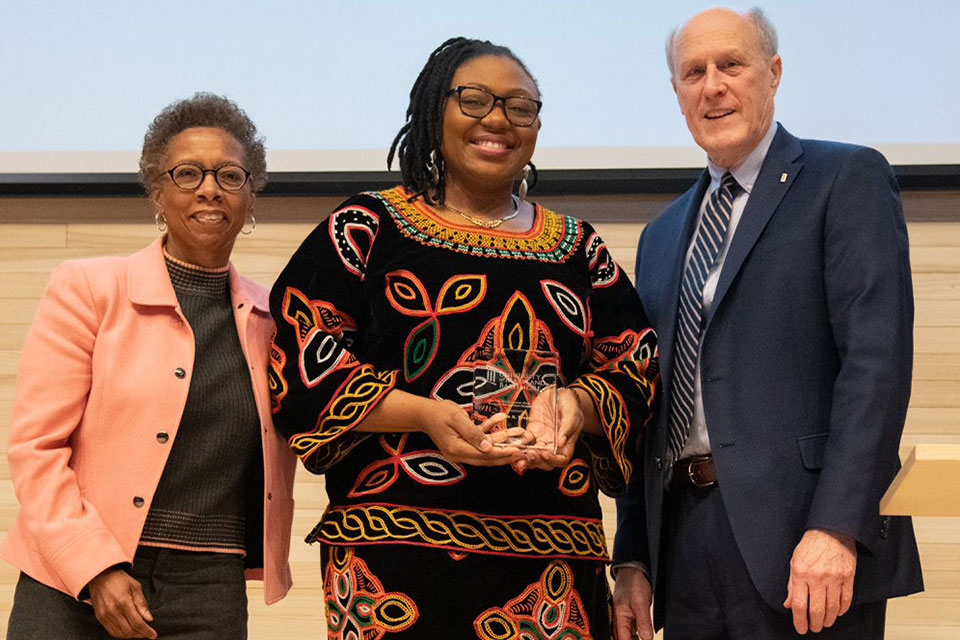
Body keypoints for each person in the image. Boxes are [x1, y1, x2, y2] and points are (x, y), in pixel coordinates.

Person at [269, 37, 657, 638]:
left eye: (520, 106)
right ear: (433, 111)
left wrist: (576, 405)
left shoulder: (580, 247)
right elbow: (300, 347)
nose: (498, 119)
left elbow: (636, 362)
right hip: (392, 556)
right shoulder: (366, 227)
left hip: (550, 562)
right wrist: (421, 414)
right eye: (473, 100)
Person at [612, 7, 923, 640]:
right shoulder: (662, 235)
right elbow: (644, 401)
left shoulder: (846, 179)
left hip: (806, 543)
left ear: (773, 73)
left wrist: (836, 525)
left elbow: (876, 364)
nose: (712, 85)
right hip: (685, 545)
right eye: (693, 72)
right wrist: (635, 555)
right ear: (677, 95)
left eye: (731, 64)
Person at [2, 93, 297, 639]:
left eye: (231, 175)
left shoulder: (273, 317)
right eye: (187, 174)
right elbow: (36, 449)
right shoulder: (88, 289)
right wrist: (95, 566)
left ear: (251, 196)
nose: (209, 188)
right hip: (73, 580)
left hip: (210, 588)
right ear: (157, 191)